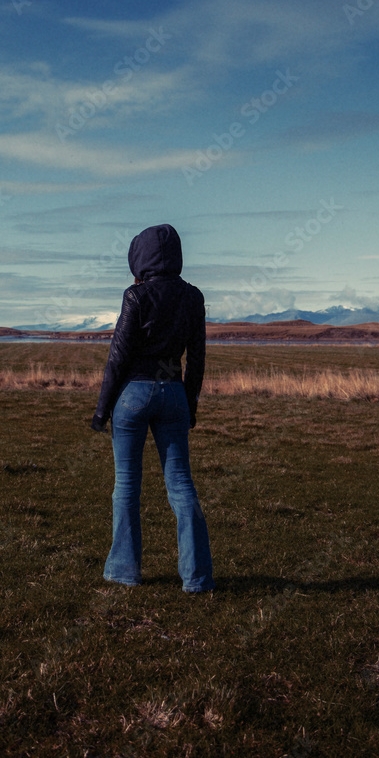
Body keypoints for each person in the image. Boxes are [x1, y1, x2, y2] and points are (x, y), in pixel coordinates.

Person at [91, 223, 214, 593]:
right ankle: (198, 578)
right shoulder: (193, 297)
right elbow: (197, 358)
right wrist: (189, 402)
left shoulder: (136, 296)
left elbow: (118, 357)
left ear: (139, 257)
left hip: (133, 395)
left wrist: (102, 409)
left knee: (127, 485)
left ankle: (124, 571)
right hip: (173, 392)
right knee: (181, 485)